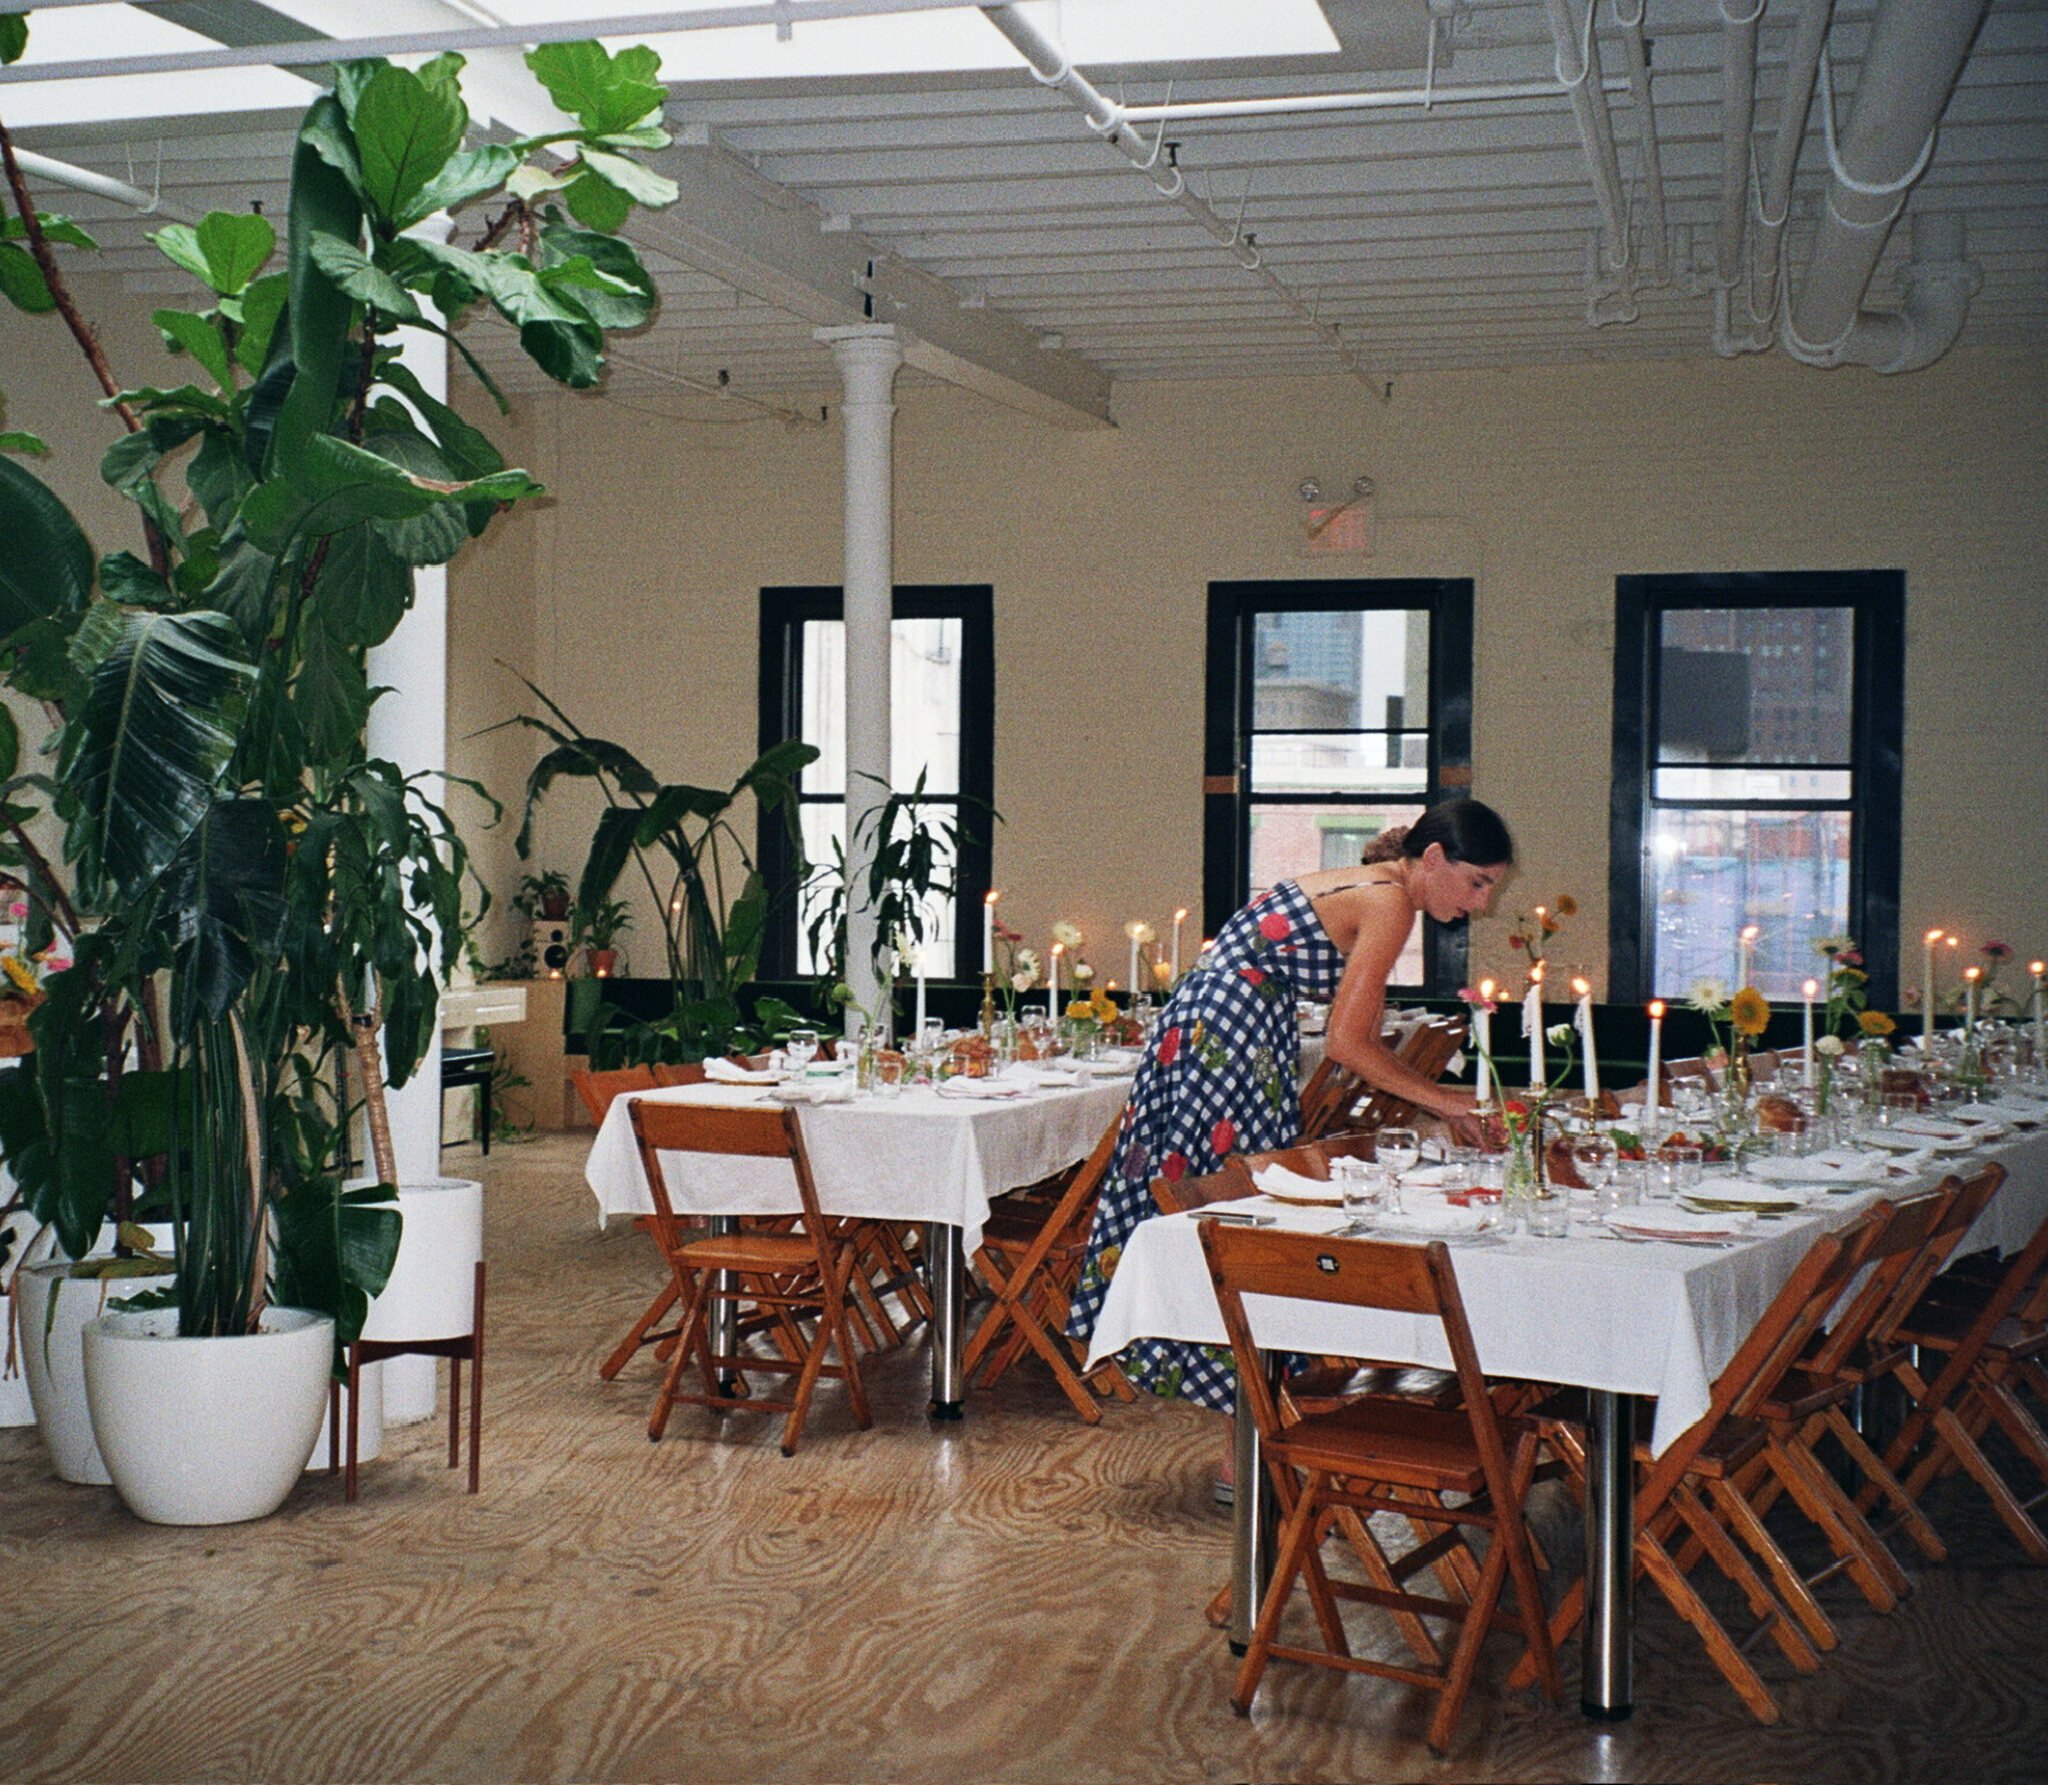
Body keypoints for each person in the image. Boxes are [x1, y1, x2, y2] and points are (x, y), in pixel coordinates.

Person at [1067, 798, 1513, 1409]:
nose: (1482, 902)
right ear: (1433, 858)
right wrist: (1448, 1102)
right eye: (1478, 881)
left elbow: (1350, 1029)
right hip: (1229, 1039)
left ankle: (1249, 1424)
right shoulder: (1388, 902)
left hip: (1216, 1029)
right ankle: (1246, 1433)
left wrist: (1442, 1101)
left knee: (1230, 1213)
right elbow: (1347, 1041)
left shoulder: (1379, 888)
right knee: (1239, 1224)